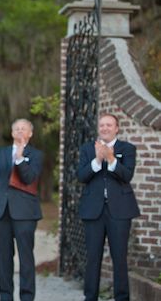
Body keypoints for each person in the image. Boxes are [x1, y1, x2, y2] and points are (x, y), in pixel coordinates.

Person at [77, 113, 140, 301]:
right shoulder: (88, 149)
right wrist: (97, 160)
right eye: (102, 125)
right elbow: (81, 176)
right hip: (93, 211)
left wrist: (111, 159)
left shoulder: (127, 149)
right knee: (93, 258)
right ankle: (90, 297)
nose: (105, 128)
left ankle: (122, 298)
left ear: (117, 128)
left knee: (119, 258)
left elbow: (127, 175)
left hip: (120, 211)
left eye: (109, 125)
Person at [0, 119, 43, 301]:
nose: (19, 131)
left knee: (26, 258)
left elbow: (29, 178)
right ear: (12, 133)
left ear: (30, 133)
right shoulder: (1, 152)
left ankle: (27, 297)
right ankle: (5, 297)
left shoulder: (36, 155)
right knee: (4, 258)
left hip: (25, 212)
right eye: (16, 129)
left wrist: (19, 159)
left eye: (23, 129)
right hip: (3, 210)